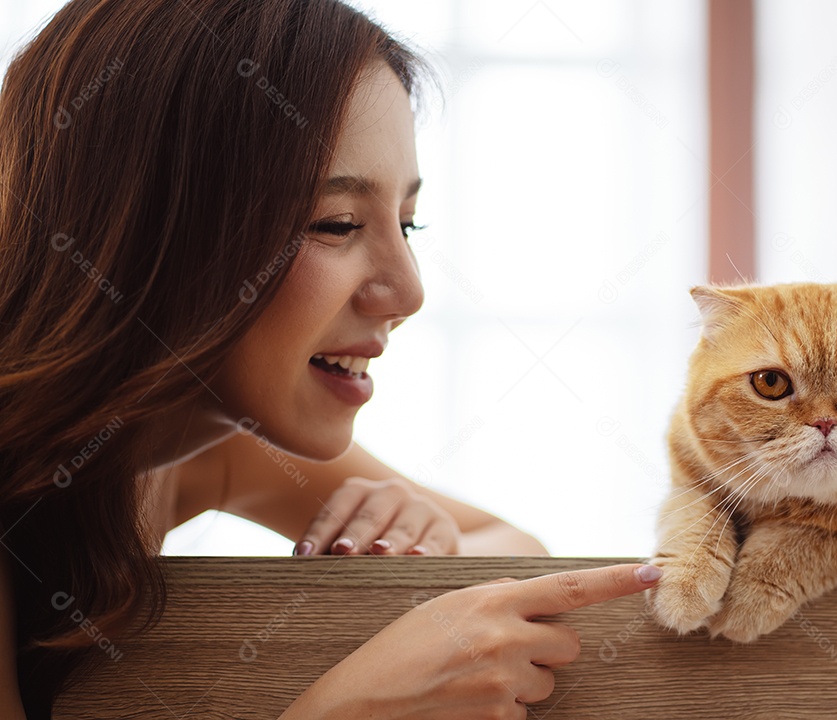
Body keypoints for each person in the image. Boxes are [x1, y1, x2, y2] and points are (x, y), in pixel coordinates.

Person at [0, 1, 661, 717]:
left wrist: (418, 527)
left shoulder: (193, 443)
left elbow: (515, 548)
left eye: (408, 225)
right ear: (148, 227)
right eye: (336, 224)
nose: (407, 292)